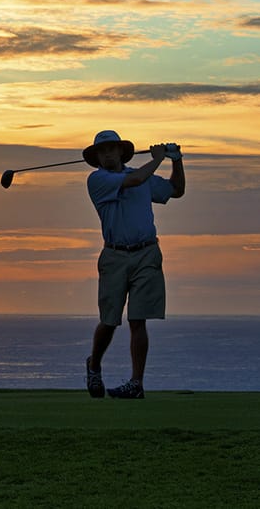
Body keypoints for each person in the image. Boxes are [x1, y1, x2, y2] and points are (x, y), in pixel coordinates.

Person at [83, 130, 185, 399]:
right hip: (115, 255)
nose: (106, 154)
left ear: (120, 152)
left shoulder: (143, 176)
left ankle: (136, 384)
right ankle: (94, 366)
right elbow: (137, 178)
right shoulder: (98, 180)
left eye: (111, 149)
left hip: (147, 253)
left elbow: (176, 191)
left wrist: (176, 160)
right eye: (101, 151)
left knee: (138, 320)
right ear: (96, 158)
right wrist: (159, 158)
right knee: (109, 320)